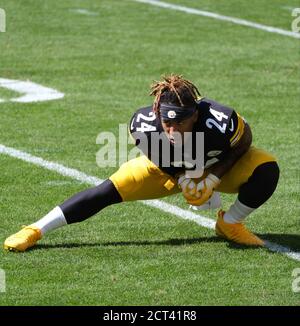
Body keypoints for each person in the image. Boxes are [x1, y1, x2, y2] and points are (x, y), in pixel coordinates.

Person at [4, 74, 279, 252]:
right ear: (157, 114)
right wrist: (184, 178)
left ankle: (230, 222)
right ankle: (35, 230)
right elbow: (159, 156)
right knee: (106, 191)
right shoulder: (144, 124)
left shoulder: (220, 119)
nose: (171, 131)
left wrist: (213, 178)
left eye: (179, 123)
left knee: (266, 167)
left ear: (195, 115)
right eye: (166, 123)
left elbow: (243, 142)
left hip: (215, 166)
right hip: (165, 170)